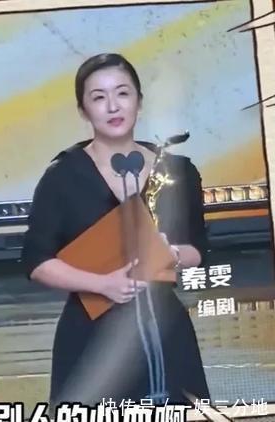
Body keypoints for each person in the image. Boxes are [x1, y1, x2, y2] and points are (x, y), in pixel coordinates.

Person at [21, 53, 210, 407]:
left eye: (123, 93)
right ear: (83, 110)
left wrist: (170, 254)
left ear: (139, 101)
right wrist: (102, 284)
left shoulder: (178, 172)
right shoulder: (63, 176)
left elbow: (197, 249)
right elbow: (36, 260)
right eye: (98, 97)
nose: (113, 106)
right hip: (91, 336)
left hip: (165, 329)